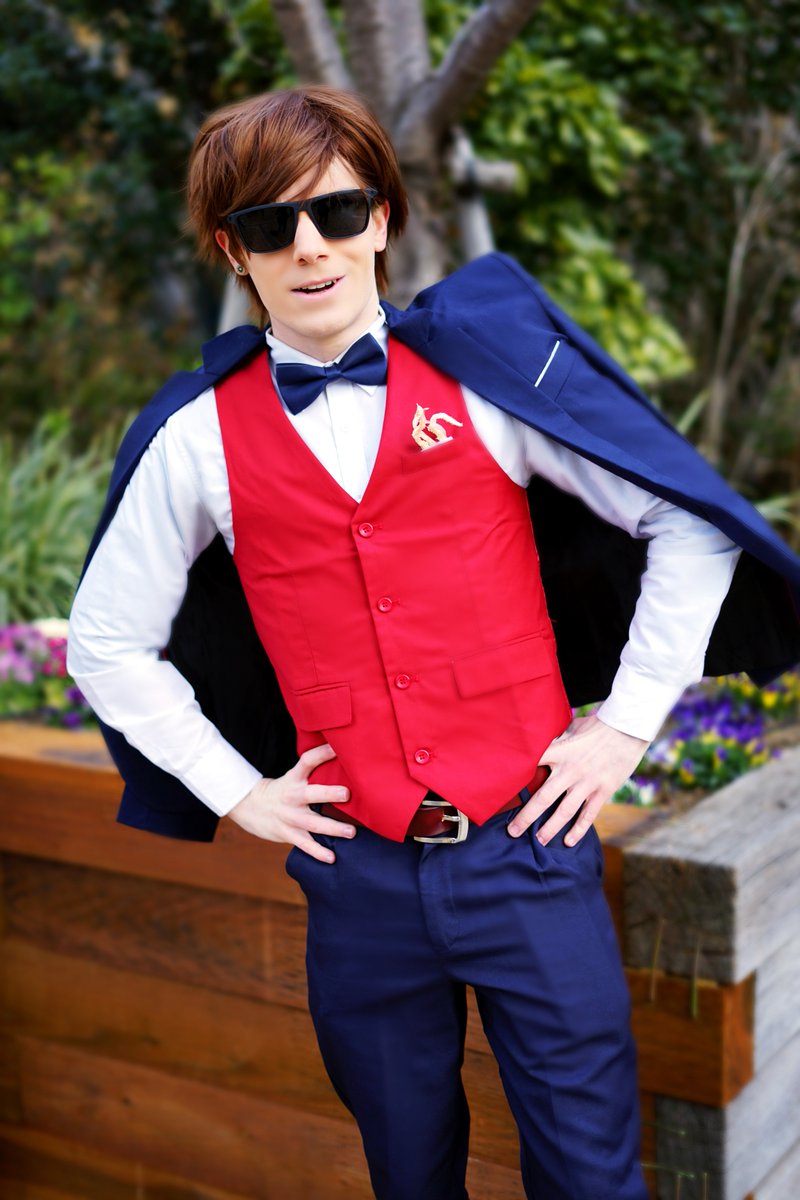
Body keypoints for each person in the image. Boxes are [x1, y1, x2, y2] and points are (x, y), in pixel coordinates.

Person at [68, 86, 800, 1200]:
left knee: (592, 1176)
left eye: (335, 212)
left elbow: (685, 518)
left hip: (528, 853)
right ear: (233, 250)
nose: (309, 248)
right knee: (407, 1175)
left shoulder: (481, 379)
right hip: (356, 879)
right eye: (270, 225)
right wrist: (236, 791)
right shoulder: (194, 439)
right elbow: (106, 642)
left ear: (380, 219)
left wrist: (623, 727)